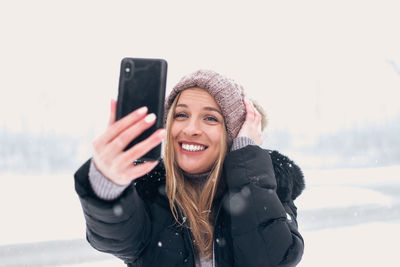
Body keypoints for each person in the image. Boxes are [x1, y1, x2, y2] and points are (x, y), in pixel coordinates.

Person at [74, 70, 305, 267]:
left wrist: (246, 158)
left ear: (233, 135)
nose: (191, 128)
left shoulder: (268, 188)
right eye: (181, 115)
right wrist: (108, 183)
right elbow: (111, 237)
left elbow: (272, 258)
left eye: (210, 118)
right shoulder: (150, 194)